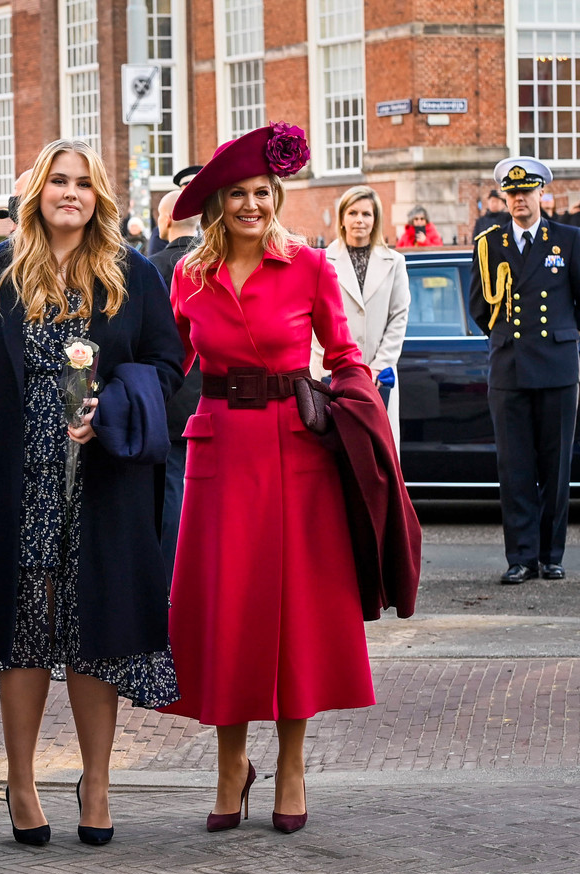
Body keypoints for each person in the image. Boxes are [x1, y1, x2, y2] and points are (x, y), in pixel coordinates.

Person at [0, 137, 182, 847]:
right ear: (37, 191)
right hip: (16, 466)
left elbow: (169, 362)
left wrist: (120, 407)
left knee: (94, 627)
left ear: (99, 195)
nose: (69, 193)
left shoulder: (133, 273)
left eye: (83, 183)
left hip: (104, 474)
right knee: (24, 625)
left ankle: (96, 782)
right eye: (57, 181)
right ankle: (21, 779)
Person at [163, 122, 378, 835]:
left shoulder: (311, 267)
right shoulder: (188, 275)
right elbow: (172, 367)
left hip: (296, 456)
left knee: (294, 617)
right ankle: (230, 765)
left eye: (263, 192)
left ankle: (291, 765)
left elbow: (345, 353)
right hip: (219, 454)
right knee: (226, 612)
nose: (252, 204)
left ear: (276, 196)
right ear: (219, 202)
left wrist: (360, 413)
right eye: (239, 194)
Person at [469, 157, 580, 584]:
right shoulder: (489, 243)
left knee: (555, 465)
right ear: (505, 197)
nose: (519, 200)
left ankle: (551, 553)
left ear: (542, 194)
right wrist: (509, 337)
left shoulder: (568, 238)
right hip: (509, 367)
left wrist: (562, 334)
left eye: (526, 192)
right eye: (512, 193)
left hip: (557, 368)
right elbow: (478, 307)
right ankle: (521, 557)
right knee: (515, 467)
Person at [324, 186, 411, 447]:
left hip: (378, 372)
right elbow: (315, 316)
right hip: (335, 373)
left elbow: (399, 316)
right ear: (342, 218)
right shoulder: (323, 260)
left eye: (366, 214)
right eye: (352, 212)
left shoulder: (394, 261)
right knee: (340, 453)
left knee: (378, 453)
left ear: (376, 220)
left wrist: (378, 365)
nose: (359, 220)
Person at [147, 187, 203, 582]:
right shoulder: (212, 265)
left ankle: (168, 577)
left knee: (170, 492)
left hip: (165, 397)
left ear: (164, 221)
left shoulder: (149, 268)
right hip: (210, 395)